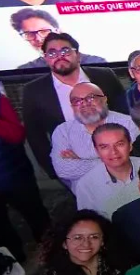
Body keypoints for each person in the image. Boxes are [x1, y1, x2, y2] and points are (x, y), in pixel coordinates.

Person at [23, 33, 126, 180]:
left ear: (77, 54)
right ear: (45, 58)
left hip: (118, 157)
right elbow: (35, 136)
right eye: (52, 53)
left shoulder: (105, 76)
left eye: (65, 50)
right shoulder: (33, 90)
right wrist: (53, 169)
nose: (59, 56)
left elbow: (125, 113)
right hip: (73, 165)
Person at [50, 83, 139, 188]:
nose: (84, 104)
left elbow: (135, 163)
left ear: (104, 99)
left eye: (91, 98)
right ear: (72, 107)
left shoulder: (129, 124)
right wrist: (111, 162)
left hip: (128, 189)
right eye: (76, 101)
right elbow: (63, 170)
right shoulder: (63, 132)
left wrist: (80, 160)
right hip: (86, 194)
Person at [0, 92, 49, 261]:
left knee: (36, 216)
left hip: (15, 176)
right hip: (13, 174)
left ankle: (52, 252)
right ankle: (14, 260)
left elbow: (17, 135)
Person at [74, 124, 140, 217]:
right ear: (97, 151)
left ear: (130, 146)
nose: (113, 152)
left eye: (119, 144)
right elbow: (90, 221)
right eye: (104, 147)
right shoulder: (86, 185)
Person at [10, 8, 105, 69]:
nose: (38, 39)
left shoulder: (95, 63)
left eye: (44, 31)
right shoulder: (24, 70)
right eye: (29, 34)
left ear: (58, 31)